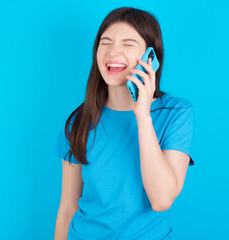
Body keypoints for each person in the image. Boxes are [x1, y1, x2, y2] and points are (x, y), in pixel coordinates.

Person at [54, 7, 194, 240]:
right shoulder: (79, 121)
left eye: (128, 44)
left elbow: (161, 200)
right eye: (105, 42)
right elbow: (67, 208)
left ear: (151, 57)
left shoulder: (176, 113)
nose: (112, 52)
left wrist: (143, 115)